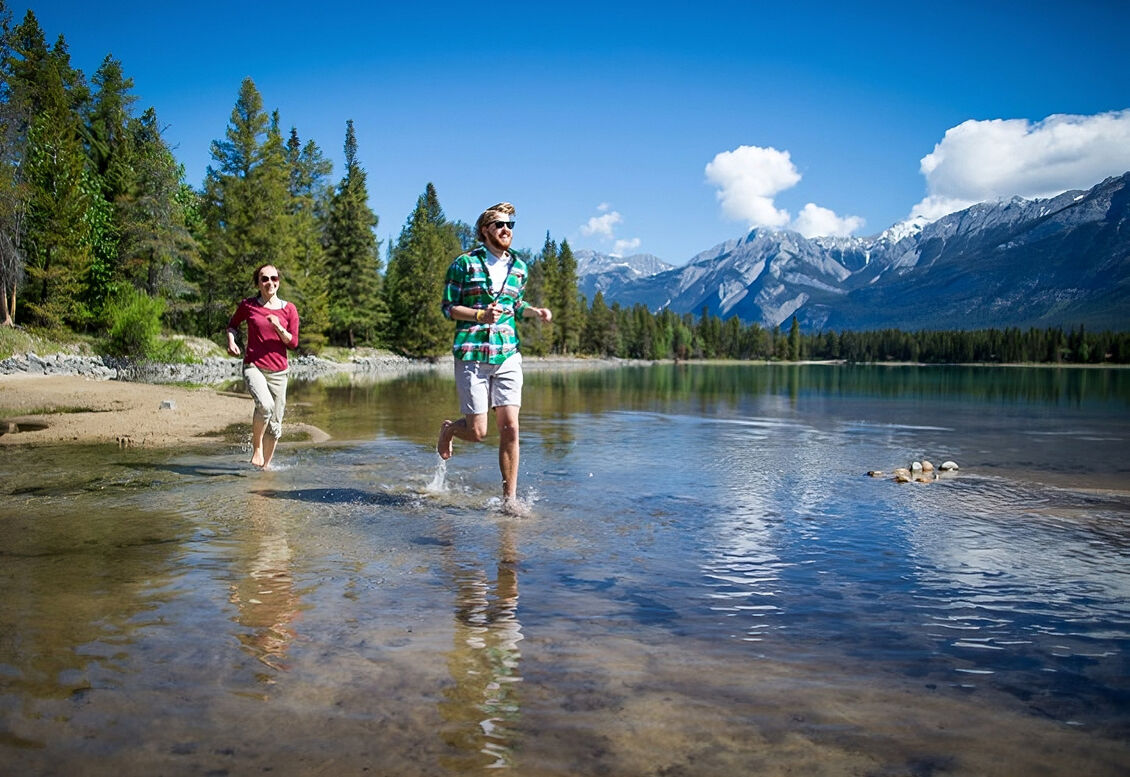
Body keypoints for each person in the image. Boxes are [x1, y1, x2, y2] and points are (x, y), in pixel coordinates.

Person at [437, 202, 552, 513]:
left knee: (510, 427)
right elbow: (448, 307)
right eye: (500, 225)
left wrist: (534, 311)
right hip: (472, 352)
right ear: (485, 230)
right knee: (477, 433)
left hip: (507, 354)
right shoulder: (464, 264)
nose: (507, 230)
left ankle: (509, 500)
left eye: (511, 225)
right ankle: (449, 430)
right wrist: (479, 314)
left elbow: (516, 305)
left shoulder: (520, 268)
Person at [226, 263, 300, 469]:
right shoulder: (249, 305)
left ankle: (264, 468)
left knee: (275, 426)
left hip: (279, 372)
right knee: (265, 406)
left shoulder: (289, 309)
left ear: (279, 281)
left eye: (273, 278)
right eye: (264, 279)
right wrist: (231, 341)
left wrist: (277, 325)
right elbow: (232, 325)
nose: (270, 282)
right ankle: (256, 449)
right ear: (258, 283)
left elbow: (293, 343)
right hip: (254, 366)